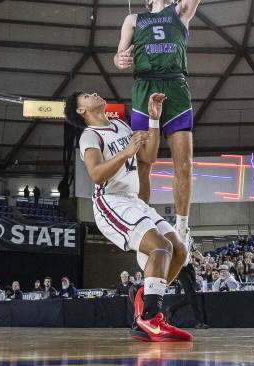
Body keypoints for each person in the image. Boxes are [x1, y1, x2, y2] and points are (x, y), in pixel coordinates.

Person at [113, 0, 227, 255]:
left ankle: (182, 226)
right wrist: (121, 58)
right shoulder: (134, 18)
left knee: (184, 163)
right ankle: (144, 226)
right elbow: (119, 57)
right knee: (143, 163)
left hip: (175, 86)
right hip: (144, 87)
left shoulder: (182, 13)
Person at [67, 89, 191, 341]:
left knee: (179, 251)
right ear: (81, 110)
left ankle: (145, 300)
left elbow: (149, 156)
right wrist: (126, 152)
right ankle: (150, 317)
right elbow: (96, 174)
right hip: (110, 201)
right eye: (86, 96)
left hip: (133, 201)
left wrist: (154, 120)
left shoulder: (119, 125)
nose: (93, 93)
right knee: (160, 247)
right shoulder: (89, 136)